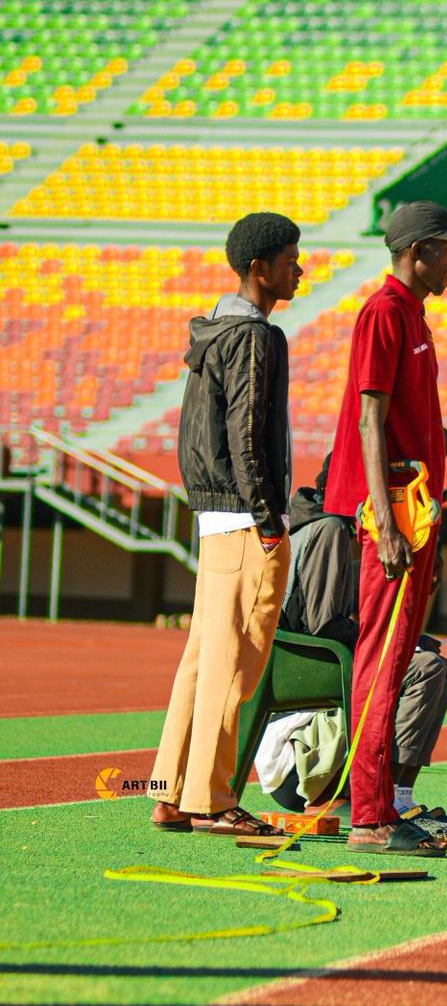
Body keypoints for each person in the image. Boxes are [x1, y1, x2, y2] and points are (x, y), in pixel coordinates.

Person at [324, 200, 447, 856]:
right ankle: (369, 815)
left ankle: (382, 803)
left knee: (397, 660)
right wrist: (386, 525)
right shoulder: (384, 312)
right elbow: (368, 419)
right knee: (382, 662)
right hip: (392, 514)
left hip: (417, 516)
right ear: (417, 251)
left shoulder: (412, 315)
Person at [255, 450, 447, 840]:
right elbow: (325, 629)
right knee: (427, 667)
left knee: (427, 661)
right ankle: (390, 802)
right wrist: (403, 645)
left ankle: (397, 797)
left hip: (324, 713)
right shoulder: (329, 531)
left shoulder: (337, 530)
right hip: (301, 750)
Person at [147, 212, 303, 838]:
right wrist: (268, 518)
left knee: (201, 660)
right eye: (291, 258)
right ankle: (211, 800)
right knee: (233, 665)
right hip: (246, 521)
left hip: (215, 518)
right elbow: (246, 436)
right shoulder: (258, 338)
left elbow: (199, 439)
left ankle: (166, 791)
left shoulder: (211, 333)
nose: (301, 267)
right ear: (258, 269)